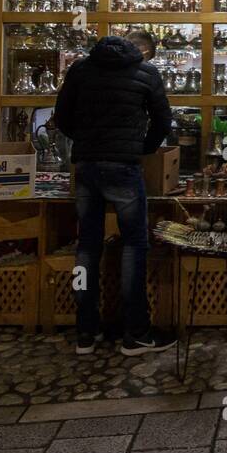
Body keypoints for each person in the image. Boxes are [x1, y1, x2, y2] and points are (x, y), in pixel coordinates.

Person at [55, 29, 174, 357]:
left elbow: (61, 117)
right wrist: (142, 149)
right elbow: (164, 122)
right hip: (124, 166)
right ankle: (135, 333)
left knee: (87, 247)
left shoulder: (81, 69)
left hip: (87, 167)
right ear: (143, 51)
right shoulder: (146, 73)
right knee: (134, 245)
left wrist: (86, 142)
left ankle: (85, 332)